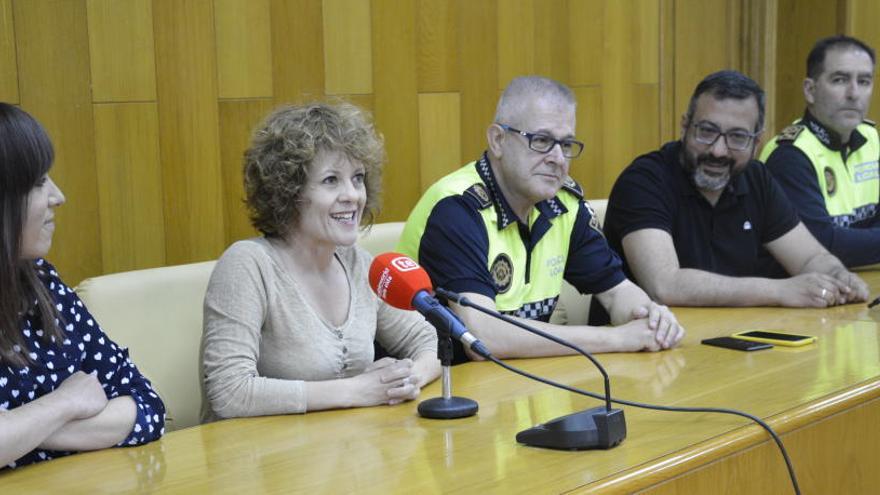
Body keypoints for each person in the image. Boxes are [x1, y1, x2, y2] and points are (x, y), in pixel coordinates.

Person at [397, 76, 685, 363]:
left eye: (566, 144)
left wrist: (649, 317)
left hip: (527, 383)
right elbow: (483, 338)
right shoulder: (456, 208)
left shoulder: (563, 206)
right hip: (445, 389)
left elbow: (617, 292)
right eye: (542, 141)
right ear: (498, 140)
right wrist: (617, 338)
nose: (558, 158)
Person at [201, 102, 440, 421]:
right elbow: (230, 393)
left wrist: (404, 380)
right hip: (259, 460)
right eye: (331, 180)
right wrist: (357, 391)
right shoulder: (248, 265)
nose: (353, 195)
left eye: (357, 178)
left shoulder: (359, 265)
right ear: (289, 192)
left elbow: (429, 341)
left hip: (339, 453)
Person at [602, 70, 869, 308]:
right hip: (644, 350)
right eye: (706, 132)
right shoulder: (644, 180)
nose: (718, 150)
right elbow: (664, 285)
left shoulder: (756, 179)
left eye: (737, 137)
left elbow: (810, 257)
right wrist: (779, 290)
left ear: (756, 143)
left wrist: (839, 277)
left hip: (732, 340)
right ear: (684, 127)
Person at [0, 103, 165, 469]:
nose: (59, 196)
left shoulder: (40, 280)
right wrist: (64, 404)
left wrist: (19, 429)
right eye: (39, 182)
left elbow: (146, 405)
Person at [760, 35, 880, 268]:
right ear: (810, 90)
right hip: (803, 291)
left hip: (862, 278)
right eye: (839, 80)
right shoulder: (790, 155)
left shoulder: (871, 138)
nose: (854, 93)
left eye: (864, 81)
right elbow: (821, 243)